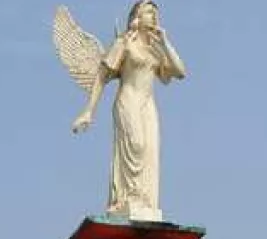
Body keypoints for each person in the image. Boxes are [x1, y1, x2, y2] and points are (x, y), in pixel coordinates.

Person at [71, 1, 186, 221]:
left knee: (150, 152)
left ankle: (145, 202)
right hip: (128, 101)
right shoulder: (124, 43)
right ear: (137, 17)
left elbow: (180, 71)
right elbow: (102, 77)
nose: (153, 17)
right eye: (148, 13)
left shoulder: (155, 47)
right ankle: (128, 198)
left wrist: (165, 41)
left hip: (148, 105)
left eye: (155, 13)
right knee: (137, 145)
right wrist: (88, 111)